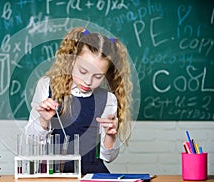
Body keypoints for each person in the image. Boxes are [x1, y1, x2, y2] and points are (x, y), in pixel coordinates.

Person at [25, 27, 133, 174]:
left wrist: (110, 135)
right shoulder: (46, 86)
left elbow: (108, 157)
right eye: (83, 71)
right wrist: (43, 121)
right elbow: (30, 143)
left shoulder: (108, 100)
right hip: (53, 175)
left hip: (93, 175)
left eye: (98, 76)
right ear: (72, 60)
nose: (88, 81)